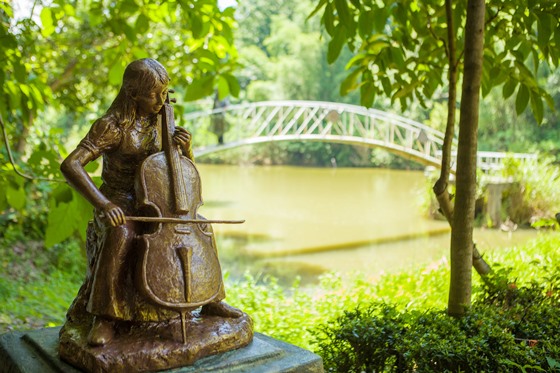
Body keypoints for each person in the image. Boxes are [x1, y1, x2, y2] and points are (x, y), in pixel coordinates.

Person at [60, 58, 241, 347]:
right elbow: (71, 165)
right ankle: (106, 316)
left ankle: (211, 299)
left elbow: (180, 173)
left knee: (202, 226)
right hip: (120, 199)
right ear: (132, 93)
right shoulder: (112, 126)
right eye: (154, 94)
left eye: (164, 92)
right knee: (121, 234)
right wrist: (104, 204)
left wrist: (186, 150)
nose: (162, 99)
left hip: (157, 200)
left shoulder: (162, 121)